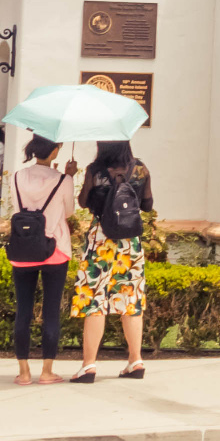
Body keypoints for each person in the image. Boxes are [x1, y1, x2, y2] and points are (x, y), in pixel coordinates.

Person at [70, 139, 154, 382]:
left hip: (101, 239)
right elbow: (148, 205)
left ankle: (88, 366)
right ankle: (135, 361)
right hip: (130, 241)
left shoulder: (95, 171)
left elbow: (84, 202)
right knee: (131, 297)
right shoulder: (140, 169)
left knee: (94, 298)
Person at [0, 135, 71, 385]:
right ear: (53, 152)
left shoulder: (17, 176)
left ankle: (24, 371)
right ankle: (47, 371)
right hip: (55, 249)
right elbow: (69, 212)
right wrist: (68, 175)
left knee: (23, 310)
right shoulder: (63, 179)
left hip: (23, 249)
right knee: (51, 311)